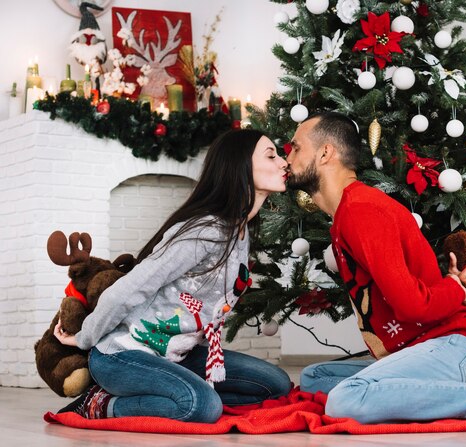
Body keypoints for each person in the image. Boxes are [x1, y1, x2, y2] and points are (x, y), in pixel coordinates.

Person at [286, 112, 466, 424]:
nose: (287, 157)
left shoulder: (361, 211)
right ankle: (423, 393)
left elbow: (412, 306)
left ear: (325, 152)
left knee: (343, 401)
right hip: (418, 350)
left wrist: (456, 287)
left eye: (295, 148)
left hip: (454, 346)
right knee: (315, 377)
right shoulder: (347, 212)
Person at [54, 129, 292, 422]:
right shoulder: (206, 231)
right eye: (271, 155)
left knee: (276, 385)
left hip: (176, 355)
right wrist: (85, 337)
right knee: (202, 406)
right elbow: (130, 288)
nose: (283, 163)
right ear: (239, 165)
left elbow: (207, 311)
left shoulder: (240, 235)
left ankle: (173, 394)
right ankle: (101, 405)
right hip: (123, 354)